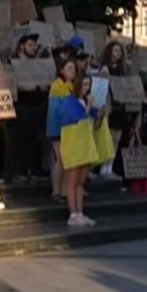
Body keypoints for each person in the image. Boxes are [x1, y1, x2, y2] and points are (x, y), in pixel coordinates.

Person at [57, 75, 102, 226]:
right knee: (73, 180)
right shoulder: (70, 102)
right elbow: (80, 118)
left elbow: (95, 121)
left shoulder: (85, 102)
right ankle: (73, 213)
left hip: (86, 144)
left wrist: (100, 111)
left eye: (89, 85)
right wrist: (88, 105)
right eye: (84, 84)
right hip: (74, 144)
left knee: (81, 182)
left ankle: (80, 212)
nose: (87, 88)